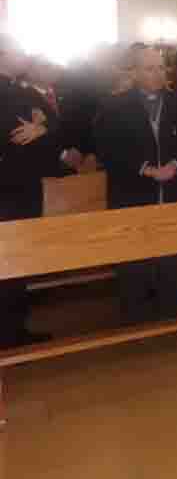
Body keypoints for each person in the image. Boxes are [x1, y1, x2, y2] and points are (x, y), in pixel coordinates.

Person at [95, 46, 177, 324]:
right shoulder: (114, 106)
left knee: (173, 255)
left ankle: (170, 310)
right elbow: (107, 149)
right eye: (150, 69)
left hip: (173, 190)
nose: (158, 74)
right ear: (135, 72)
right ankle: (134, 314)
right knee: (133, 257)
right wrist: (145, 169)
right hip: (132, 191)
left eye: (161, 68)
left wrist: (175, 166)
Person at [0, 36, 67, 348]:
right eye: (19, 51)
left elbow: (57, 127)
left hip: (23, 187)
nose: (25, 55)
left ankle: (14, 328)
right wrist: (42, 128)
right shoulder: (15, 93)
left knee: (17, 262)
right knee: (9, 262)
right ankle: (9, 334)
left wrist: (43, 127)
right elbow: (14, 135)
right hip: (10, 189)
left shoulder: (23, 91)